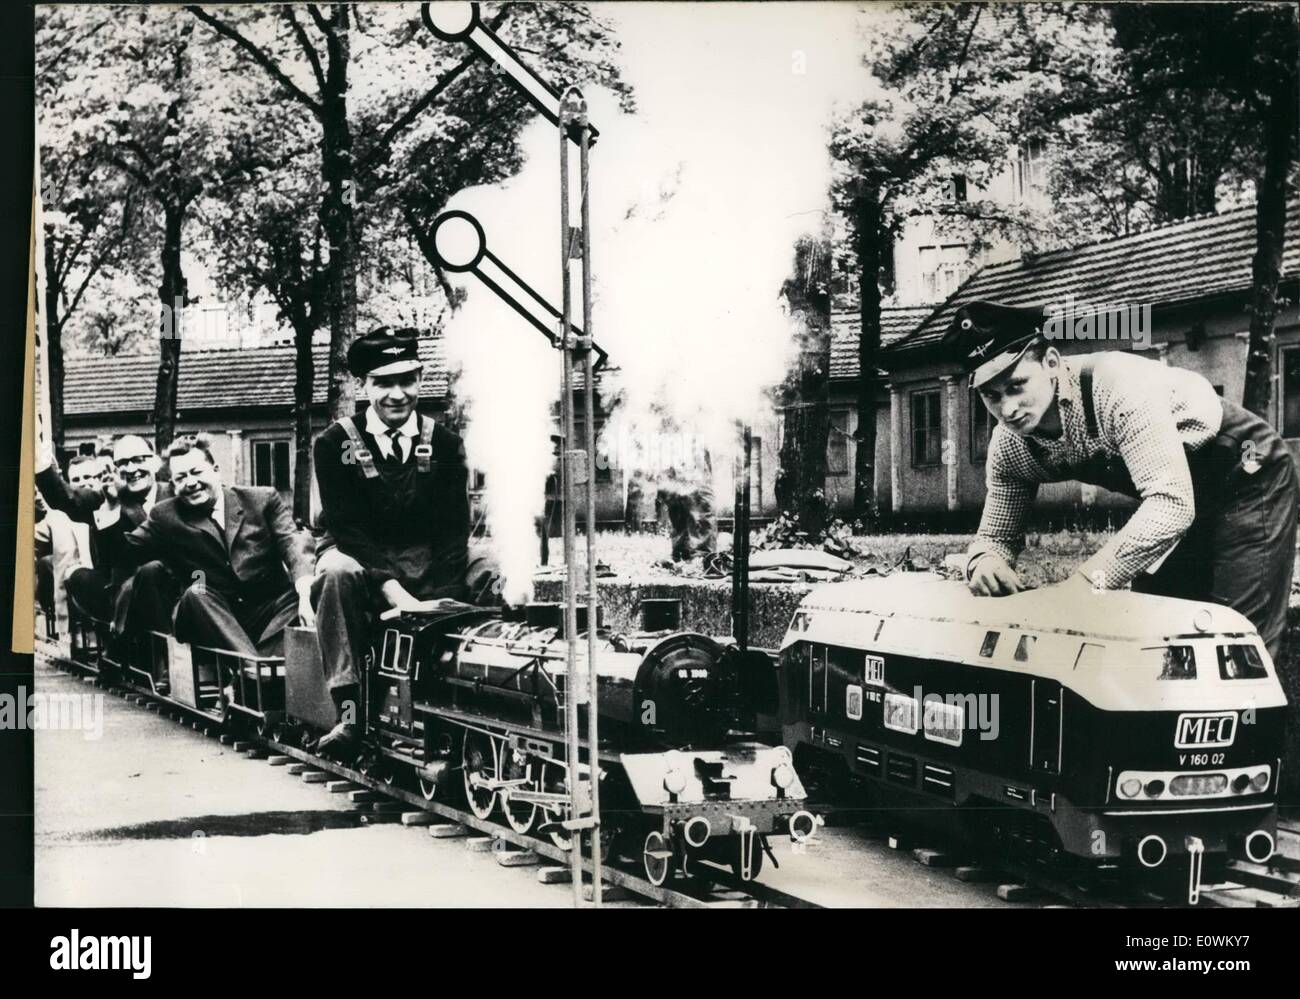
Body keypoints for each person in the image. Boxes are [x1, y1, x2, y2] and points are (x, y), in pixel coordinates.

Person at [947, 301, 1300, 659]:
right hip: (1176, 492)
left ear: (1051, 363)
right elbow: (995, 536)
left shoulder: (1118, 387)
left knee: (1232, 638)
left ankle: (1253, 715)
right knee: (1159, 638)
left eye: (1017, 385)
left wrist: (1087, 584)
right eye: (991, 395)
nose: (1007, 409)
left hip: (1246, 471)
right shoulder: (1010, 446)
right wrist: (985, 560)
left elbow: (1172, 505)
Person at [310, 326, 493, 752]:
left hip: (428, 557)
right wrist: (395, 592)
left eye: (406, 380)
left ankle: (481, 685)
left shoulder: (445, 444)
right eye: (383, 382)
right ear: (362, 385)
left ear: (420, 378)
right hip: (356, 555)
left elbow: (453, 530)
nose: (397, 394)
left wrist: (443, 604)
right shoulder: (334, 444)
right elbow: (348, 529)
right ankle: (350, 714)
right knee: (335, 574)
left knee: (492, 567)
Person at [120, 434, 315, 659]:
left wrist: (305, 589)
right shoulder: (165, 515)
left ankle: (253, 670)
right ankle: (255, 670)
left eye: (196, 472)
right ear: (173, 484)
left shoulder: (261, 499)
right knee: (196, 592)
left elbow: (292, 543)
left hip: (267, 613)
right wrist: (115, 504)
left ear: (215, 469)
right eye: (181, 478)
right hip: (211, 615)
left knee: (309, 591)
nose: (191, 483)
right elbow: (126, 550)